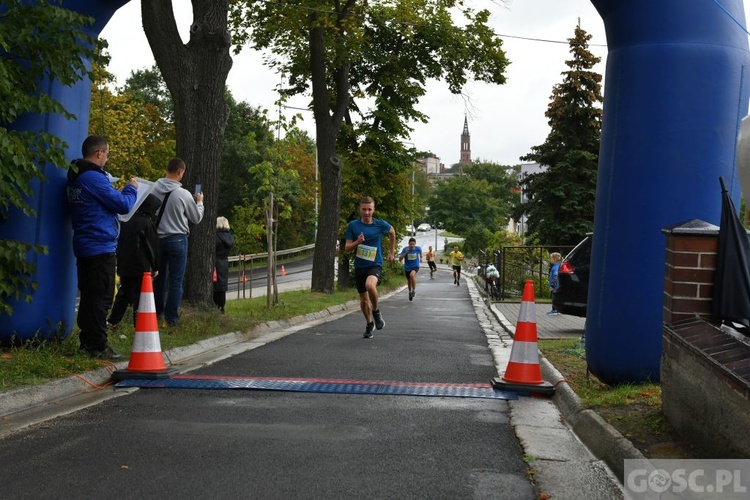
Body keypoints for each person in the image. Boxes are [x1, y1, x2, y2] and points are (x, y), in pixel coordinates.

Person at [66, 135, 138, 359]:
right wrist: (131, 189)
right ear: (99, 153)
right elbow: (123, 205)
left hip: (85, 244)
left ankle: (87, 342)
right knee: (102, 298)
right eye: (107, 154)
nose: (107, 158)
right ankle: (98, 346)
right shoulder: (94, 179)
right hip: (100, 246)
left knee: (89, 296)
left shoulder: (76, 177)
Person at [152, 157, 205, 326]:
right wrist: (200, 203)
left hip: (157, 239)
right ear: (180, 171)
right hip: (177, 239)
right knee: (175, 280)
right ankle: (172, 319)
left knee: (159, 279)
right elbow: (195, 218)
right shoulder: (183, 194)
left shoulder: (153, 189)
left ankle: (157, 314)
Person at [107, 194, 161, 330]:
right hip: (140, 264)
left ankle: (113, 320)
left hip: (125, 263)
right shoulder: (148, 224)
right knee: (140, 296)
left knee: (123, 292)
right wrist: (155, 266)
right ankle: (139, 324)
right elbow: (151, 247)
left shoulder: (126, 220)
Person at [344, 196, 396, 339]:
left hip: (375, 264)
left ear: (374, 210)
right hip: (360, 266)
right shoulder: (353, 226)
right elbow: (347, 248)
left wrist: (391, 252)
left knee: (370, 285)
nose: (367, 212)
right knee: (363, 300)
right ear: (359, 209)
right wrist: (357, 242)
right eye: (364, 209)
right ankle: (369, 323)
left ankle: (377, 312)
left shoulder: (380, 224)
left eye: (369, 209)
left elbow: (392, 232)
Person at [213, 216, 235, 313]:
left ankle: (215, 304)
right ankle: (221, 306)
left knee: (214, 284)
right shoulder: (230, 237)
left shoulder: (215, 237)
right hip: (224, 262)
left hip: (215, 262)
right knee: (222, 285)